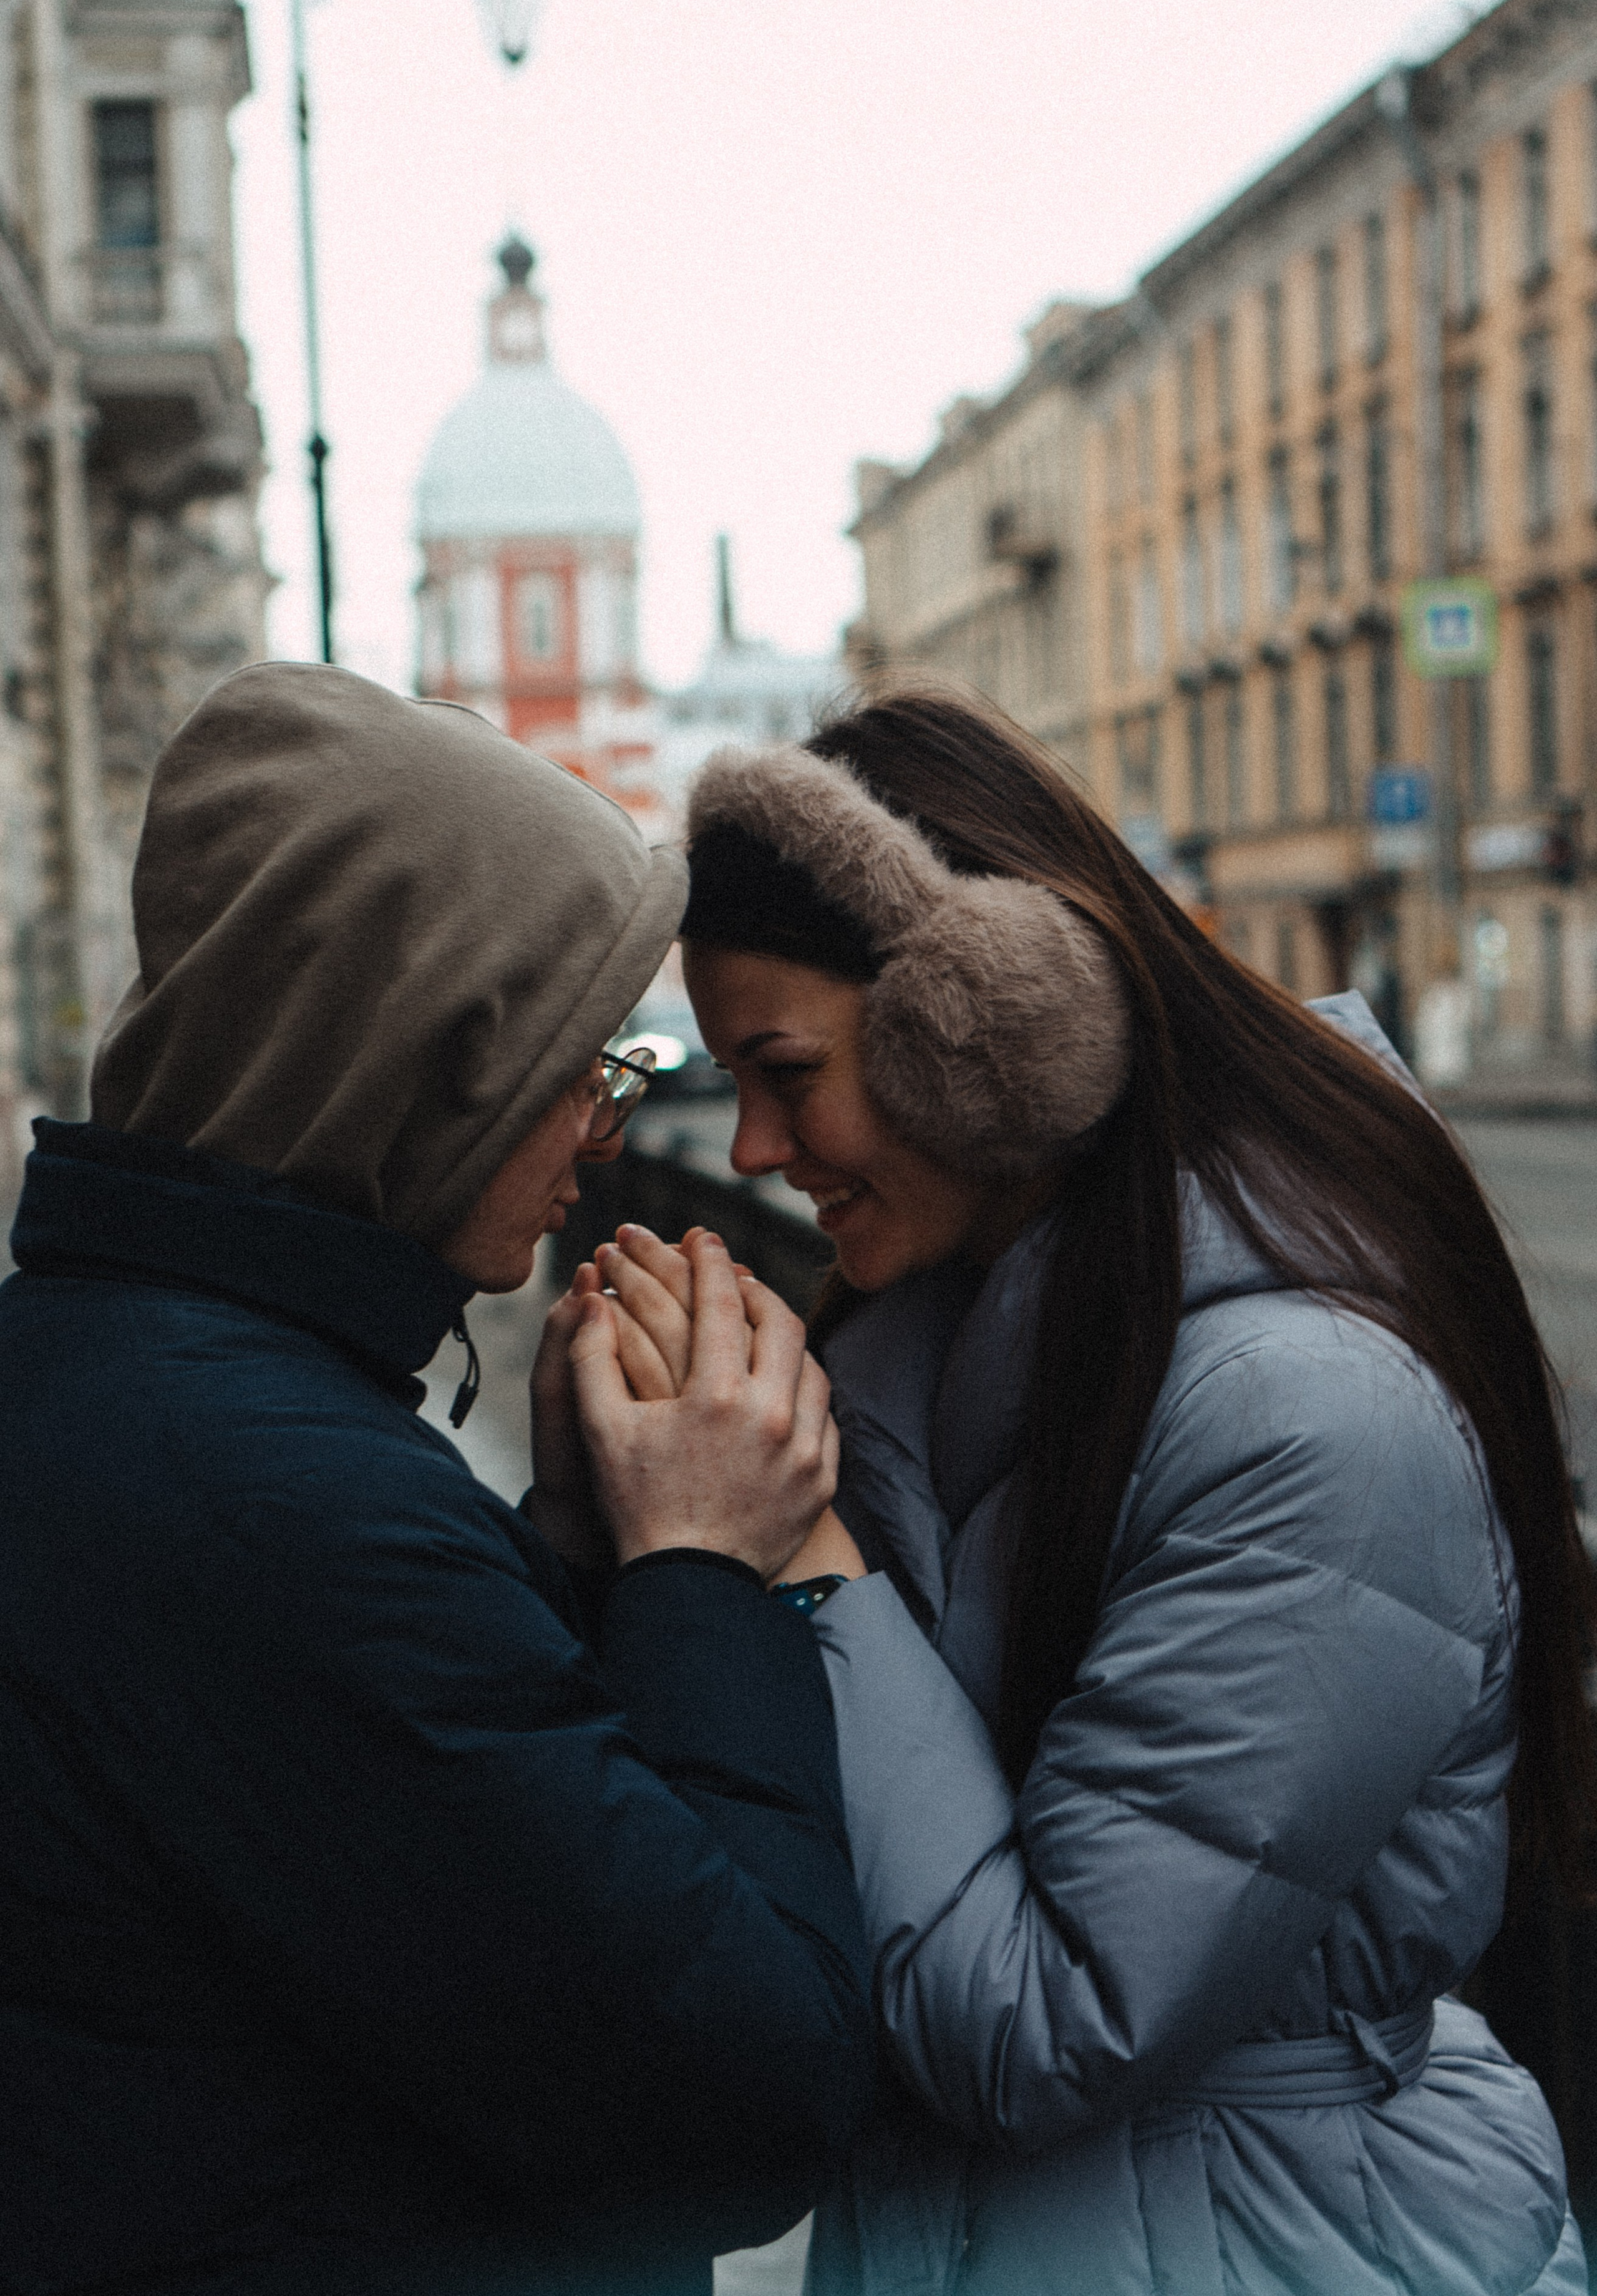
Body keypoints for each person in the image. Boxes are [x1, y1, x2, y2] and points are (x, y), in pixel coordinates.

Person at [593, 678, 1595, 2295]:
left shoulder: (1316, 1426)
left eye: (788, 1073)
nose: (758, 1153)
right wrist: (639, 1514)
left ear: (984, 1023)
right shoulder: (944, 1328)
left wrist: (794, 1556)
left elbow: (1048, 2025)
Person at [0, 663, 874, 2296]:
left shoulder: (118, 1370)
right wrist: (703, 1568)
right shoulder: (278, 1506)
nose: (608, 1142)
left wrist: (564, 1554)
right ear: (444, 1058)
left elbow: (399, 1876)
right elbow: (747, 2094)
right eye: (591, 1068)